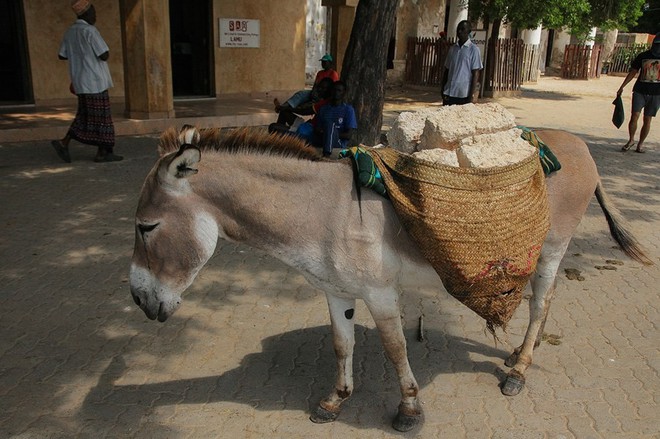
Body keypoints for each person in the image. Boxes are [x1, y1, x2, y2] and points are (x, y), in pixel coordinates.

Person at [51, 0, 121, 163]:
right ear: (86, 14)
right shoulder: (90, 31)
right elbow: (104, 54)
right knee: (102, 117)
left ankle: (72, 144)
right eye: (93, 13)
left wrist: (78, 54)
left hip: (81, 82)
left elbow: (62, 55)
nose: (95, 16)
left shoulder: (70, 32)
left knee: (85, 115)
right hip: (95, 81)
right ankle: (101, 152)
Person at [617, 32, 660, 154]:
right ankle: (631, 140)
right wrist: (622, 86)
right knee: (634, 115)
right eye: (657, 44)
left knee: (647, 119)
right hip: (640, 90)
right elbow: (633, 72)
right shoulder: (643, 56)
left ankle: (640, 144)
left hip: (656, 93)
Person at [273, 54, 340, 113]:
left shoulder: (333, 73)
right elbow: (315, 85)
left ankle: (283, 108)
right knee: (300, 94)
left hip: (324, 96)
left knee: (306, 106)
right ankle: (283, 106)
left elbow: (333, 88)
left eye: (325, 62)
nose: (323, 64)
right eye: (322, 62)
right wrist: (314, 92)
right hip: (316, 92)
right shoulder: (320, 73)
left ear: (330, 63)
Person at [441, 20, 483, 106]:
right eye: (458, 29)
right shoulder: (453, 49)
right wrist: (442, 88)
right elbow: (447, 70)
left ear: (469, 31)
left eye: (463, 29)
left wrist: (471, 95)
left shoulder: (474, 50)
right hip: (449, 92)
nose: (459, 31)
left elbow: (475, 73)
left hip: (463, 94)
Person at [313, 81, 357, 157]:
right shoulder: (323, 109)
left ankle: (326, 154)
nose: (336, 93)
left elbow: (348, 135)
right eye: (334, 90)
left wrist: (331, 133)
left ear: (344, 93)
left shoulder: (348, 110)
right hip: (322, 139)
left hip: (338, 142)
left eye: (339, 90)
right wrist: (327, 133)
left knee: (330, 126)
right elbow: (317, 129)